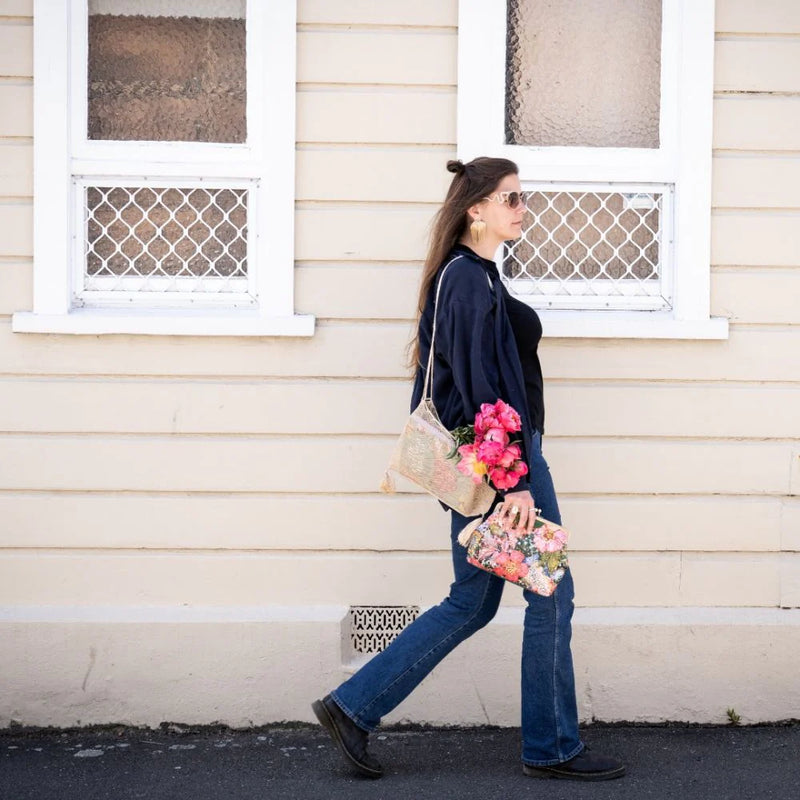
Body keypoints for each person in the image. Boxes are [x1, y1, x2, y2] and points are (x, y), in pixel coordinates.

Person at [312, 157, 626, 782]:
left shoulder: (479, 276)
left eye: (522, 197)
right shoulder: (465, 279)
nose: (522, 209)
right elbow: (483, 391)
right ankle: (553, 746)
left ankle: (354, 707)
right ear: (475, 208)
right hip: (499, 462)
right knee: (550, 592)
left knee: (472, 602)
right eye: (510, 199)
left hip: (491, 459)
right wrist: (517, 483)